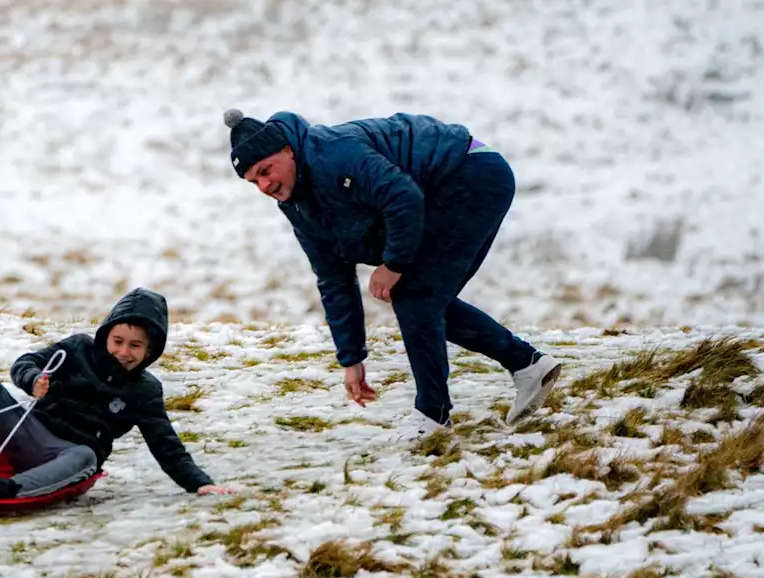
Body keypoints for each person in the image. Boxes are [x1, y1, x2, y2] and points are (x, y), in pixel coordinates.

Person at [223, 108, 562, 435]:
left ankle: (433, 416)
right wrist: (351, 358)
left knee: (417, 297)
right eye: (254, 181)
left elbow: (402, 197)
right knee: (423, 299)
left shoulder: (332, 154)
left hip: (469, 171)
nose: (265, 185)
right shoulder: (298, 206)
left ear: (287, 150)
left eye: (266, 171)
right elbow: (333, 278)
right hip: (453, 183)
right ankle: (527, 365)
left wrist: (394, 264)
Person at [0, 288, 233, 499]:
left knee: (87, 455)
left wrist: (199, 483)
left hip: (70, 458)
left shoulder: (145, 390)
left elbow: (165, 443)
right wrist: (33, 379)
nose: (123, 352)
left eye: (135, 346)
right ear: (106, 335)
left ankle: (11, 488)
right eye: (117, 341)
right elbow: (25, 363)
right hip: (27, 433)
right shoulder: (78, 350)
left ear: (150, 351)